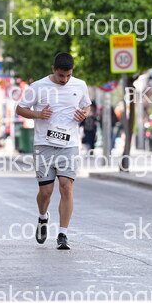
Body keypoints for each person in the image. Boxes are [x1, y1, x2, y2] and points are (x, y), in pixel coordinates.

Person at [16, 52, 91, 250]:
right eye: (61, 76)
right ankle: (43, 217)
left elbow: (87, 106)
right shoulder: (38, 86)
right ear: (53, 70)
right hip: (44, 145)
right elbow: (20, 109)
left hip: (69, 144)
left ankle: (62, 234)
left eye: (68, 75)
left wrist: (84, 114)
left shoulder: (80, 85)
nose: (64, 80)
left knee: (66, 187)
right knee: (45, 192)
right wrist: (38, 114)